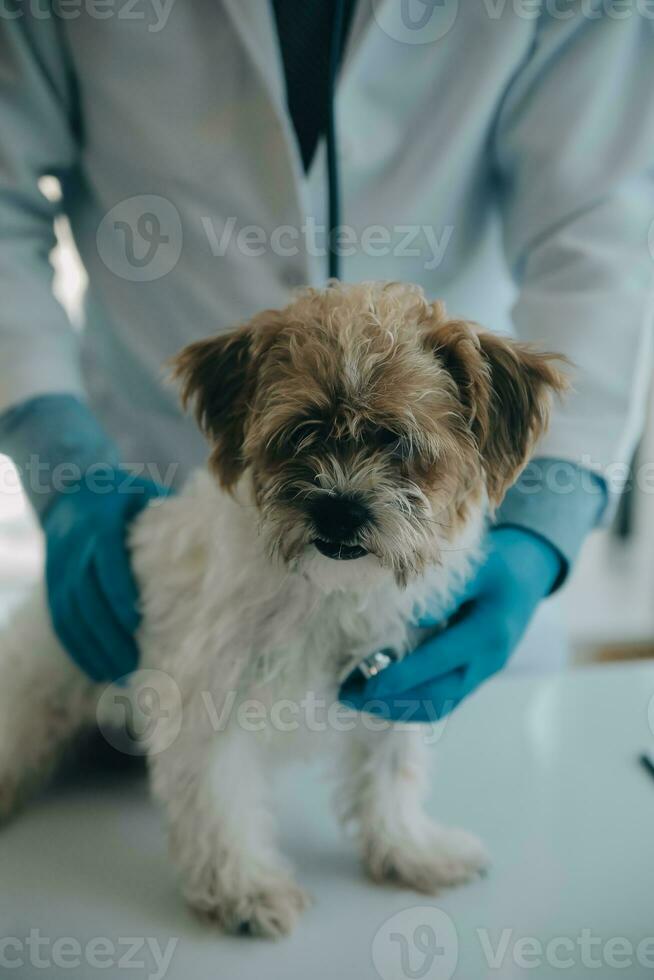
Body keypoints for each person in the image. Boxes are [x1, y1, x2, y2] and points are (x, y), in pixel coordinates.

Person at [0, 1, 652, 716]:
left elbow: (603, 227)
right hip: (155, 488)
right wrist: (55, 448)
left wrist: (541, 526)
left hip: (447, 542)